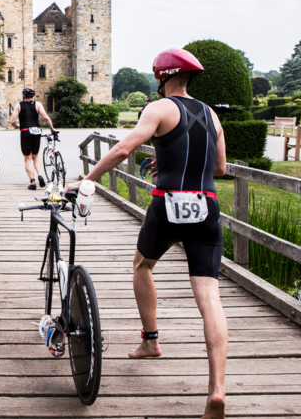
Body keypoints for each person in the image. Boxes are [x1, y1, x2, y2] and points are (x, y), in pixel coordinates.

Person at [63, 48, 228, 419]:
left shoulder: (158, 108)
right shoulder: (211, 113)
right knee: (210, 297)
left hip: (167, 205)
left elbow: (124, 148)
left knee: (143, 266)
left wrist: (86, 180)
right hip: (206, 205)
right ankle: (217, 389)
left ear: (161, 77)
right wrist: (168, 158)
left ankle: (151, 342)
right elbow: (219, 166)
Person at [7, 87, 56, 190]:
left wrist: (16, 126)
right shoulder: (37, 104)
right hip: (36, 132)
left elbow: (12, 121)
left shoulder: (19, 105)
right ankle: (40, 175)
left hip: (25, 131)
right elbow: (46, 117)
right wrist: (52, 129)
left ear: (23, 95)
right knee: (35, 156)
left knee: (27, 158)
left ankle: (33, 182)